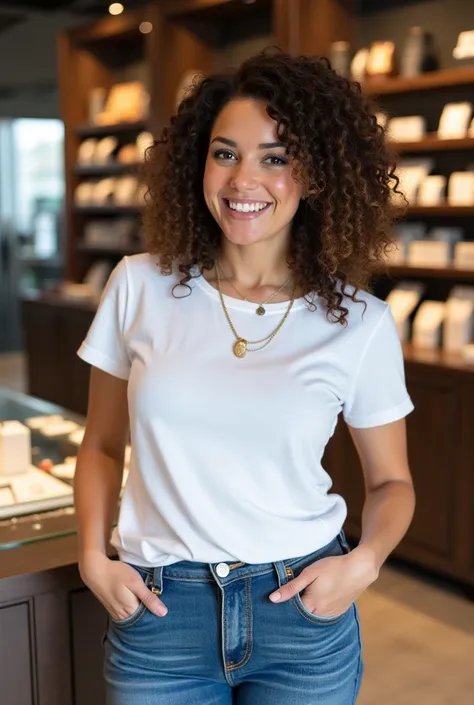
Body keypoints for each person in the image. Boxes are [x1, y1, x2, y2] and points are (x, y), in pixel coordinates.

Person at [75, 49, 416, 705]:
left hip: (303, 608)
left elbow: (393, 482)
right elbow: (99, 445)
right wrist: (94, 558)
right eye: (225, 153)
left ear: (316, 174)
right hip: (161, 614)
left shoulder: (361, 322)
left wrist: (364, 562)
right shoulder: (138, 286)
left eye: (276, 157)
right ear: (197, 163)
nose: (243, 179)